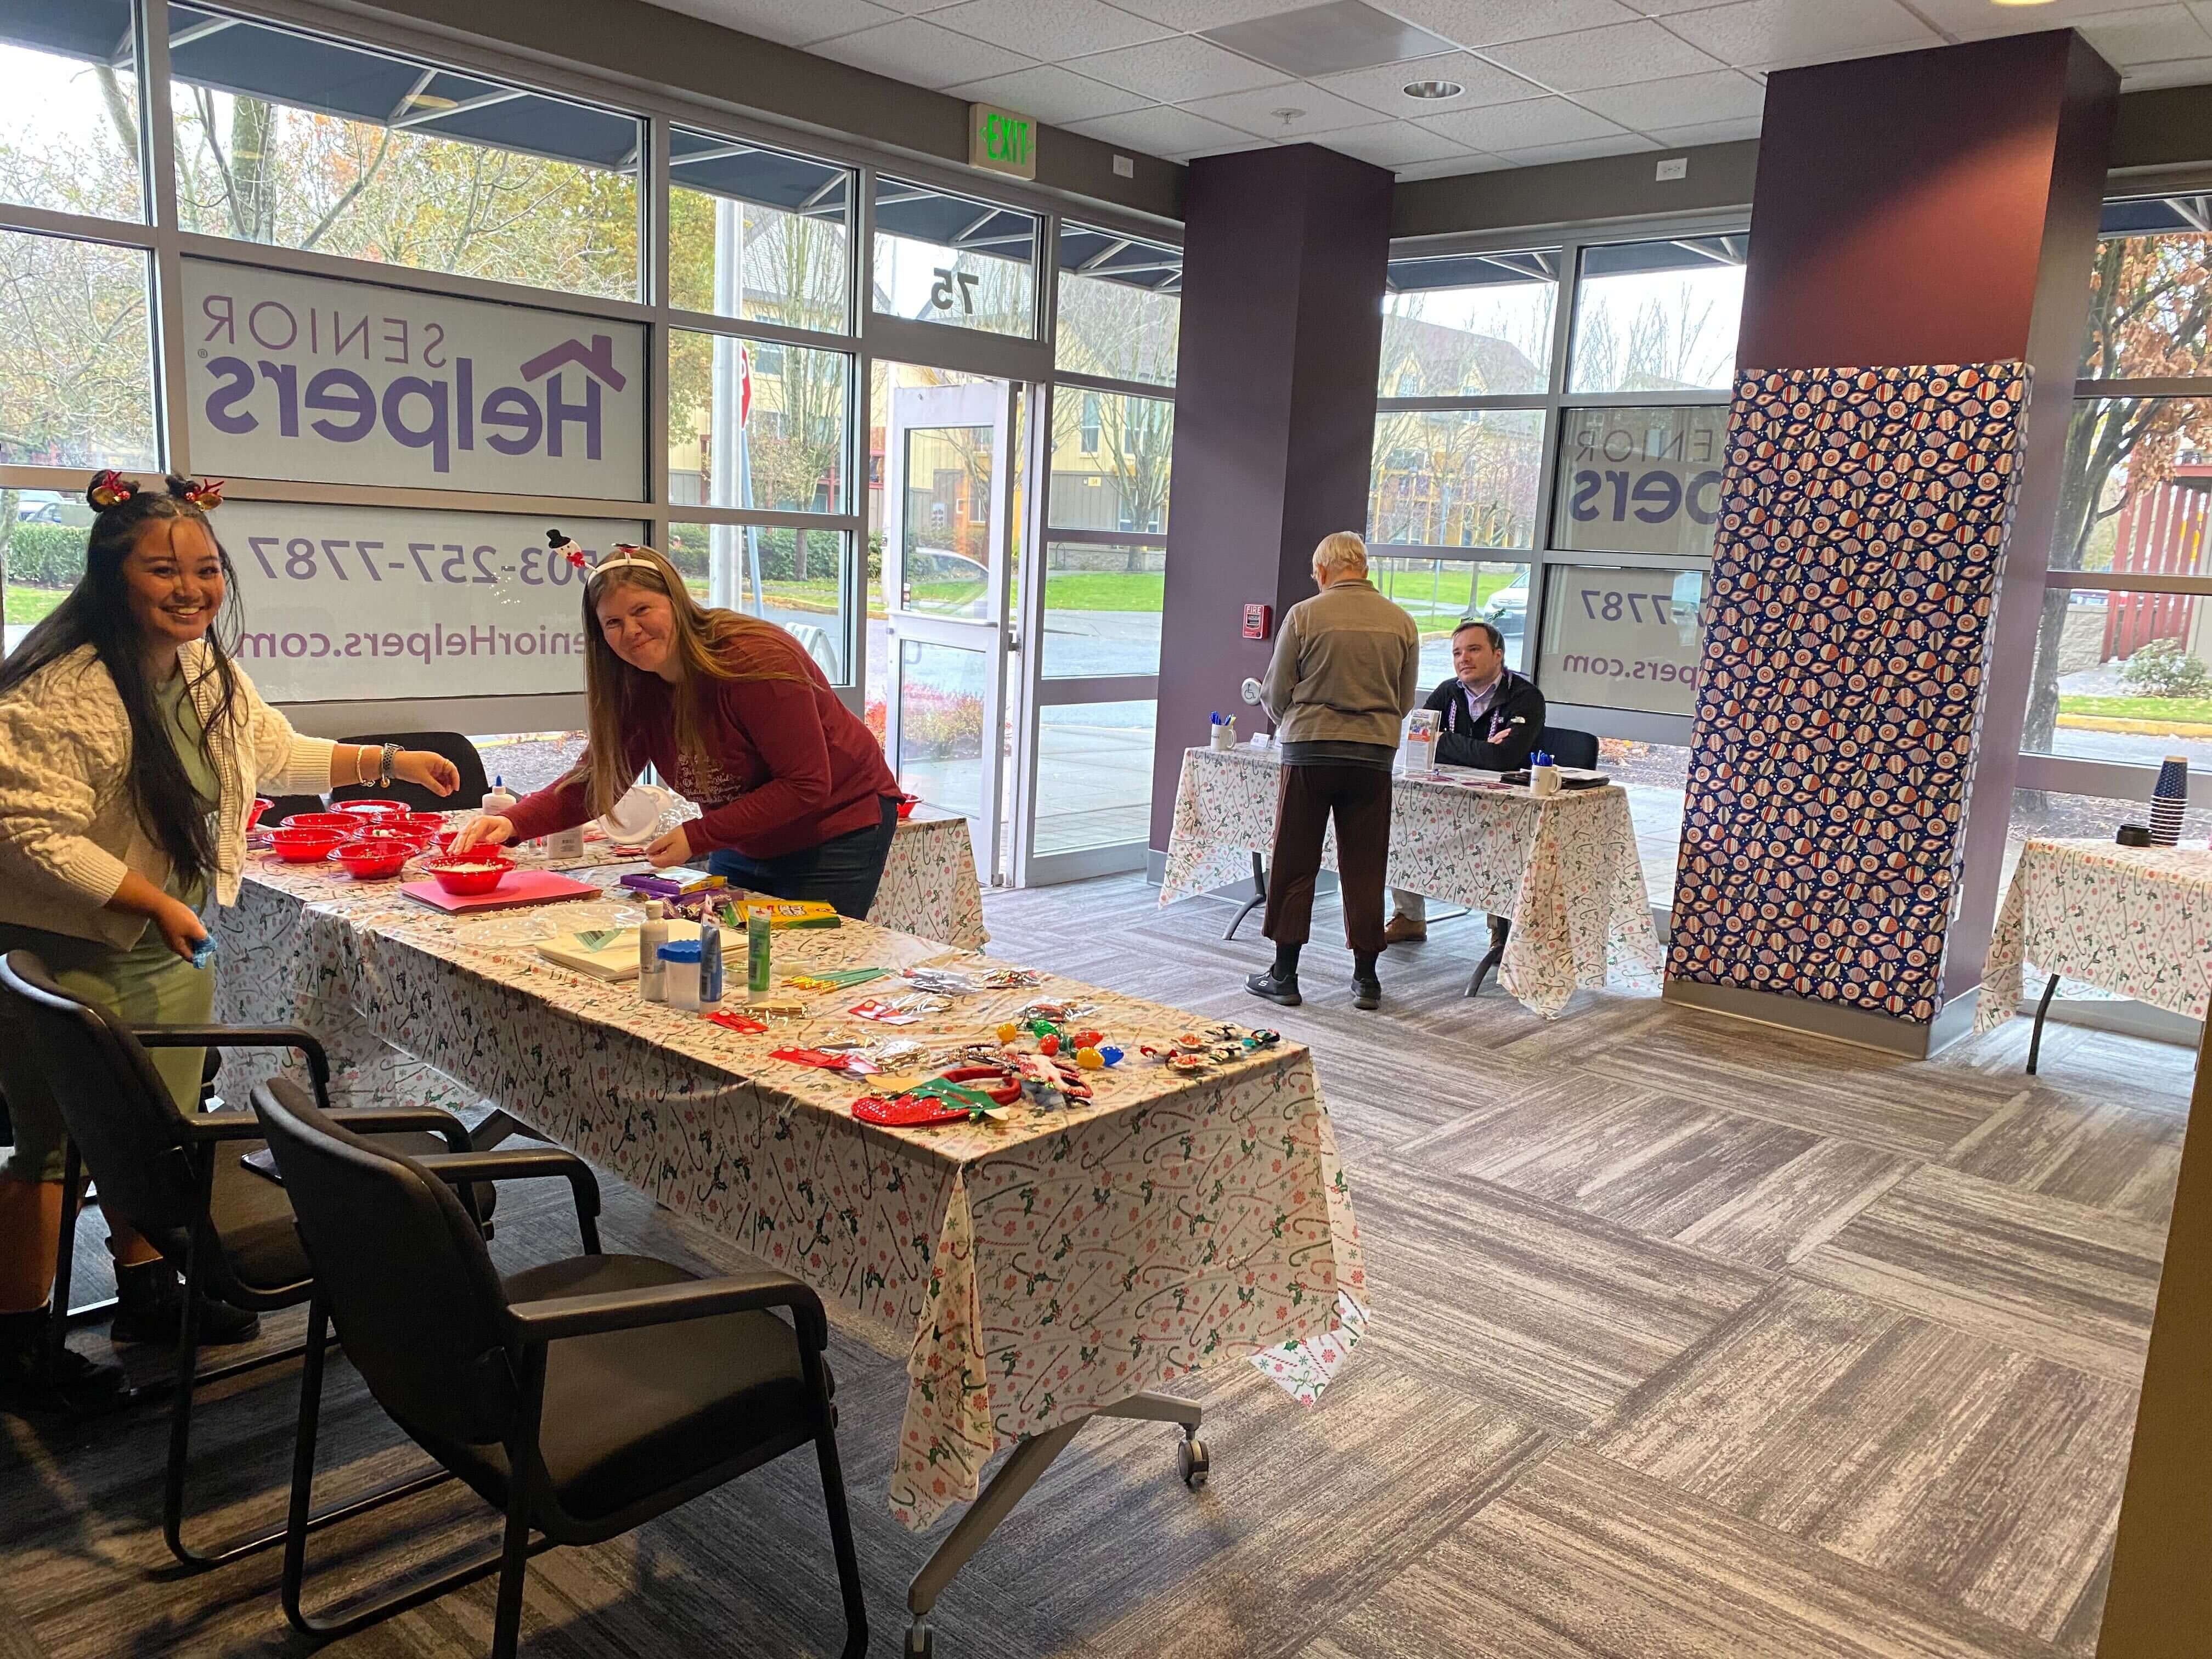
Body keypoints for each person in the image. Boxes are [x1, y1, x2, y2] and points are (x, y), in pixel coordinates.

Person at [0, 472, 460, 1412]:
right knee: (56, 1150)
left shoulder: (201, 666)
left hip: (160, 944)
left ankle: (148, 1292)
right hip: (74, 940)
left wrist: (384, 760)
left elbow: (268, 749)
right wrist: (149, 899)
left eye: (205, 569)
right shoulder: (66, 687)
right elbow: (27, 831)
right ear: (111, 575)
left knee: (146, 1136)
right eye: (163, 569)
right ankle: (16, 1345)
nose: (190, 587)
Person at [455, 542, 901, 916]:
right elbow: (598, 780)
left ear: (677, 601)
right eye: (612, 623)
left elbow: (806, 783)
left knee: (803, 966)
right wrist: (511, 822)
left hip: (834, 829)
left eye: (642, 609)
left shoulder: (753, 660)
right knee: (727, 954)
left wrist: (698, 836)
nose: (631, 631)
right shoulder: (635, 684)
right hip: (745, 836)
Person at [1246, 531, 1420, 1012]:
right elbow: (1404, 701)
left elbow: (1275, 691)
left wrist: (1296, 723)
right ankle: (1366, 979)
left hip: (1310, 751)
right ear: (1362, 567)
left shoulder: (1305, 615)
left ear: (1323, 570)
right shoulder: (1402, 622)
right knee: (1365, 866)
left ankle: (1285, 975)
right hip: (1373, 757)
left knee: (1295, 862)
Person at [1385, 617, 1547, 945]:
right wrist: (1480, 748)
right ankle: (1409, 918)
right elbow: (1420, 742)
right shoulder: (1447, 692)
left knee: (1507, 845)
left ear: (1498, 654)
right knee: (1402, 821)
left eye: (1474, 649)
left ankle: (1500, 933)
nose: (1464, 659)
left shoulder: (1525, 697)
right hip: (1447, 797)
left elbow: (1502, 759)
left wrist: (1446, 741)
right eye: (1458, 652)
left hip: (1504, 806)